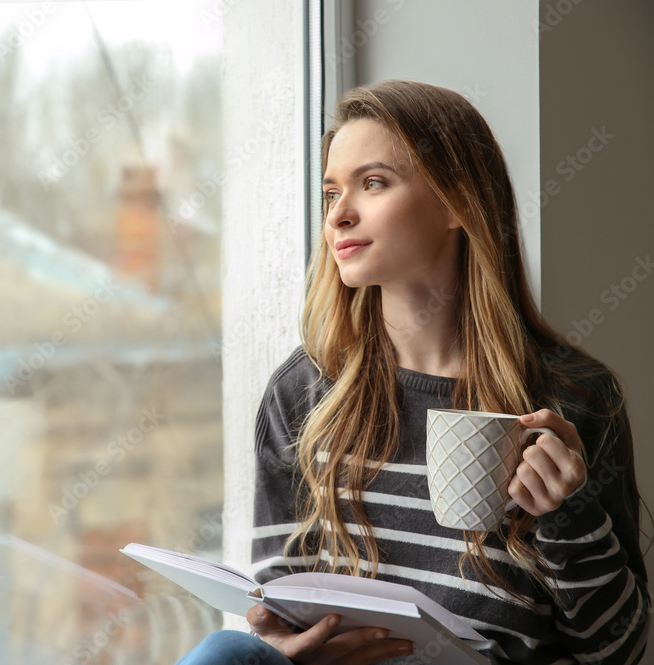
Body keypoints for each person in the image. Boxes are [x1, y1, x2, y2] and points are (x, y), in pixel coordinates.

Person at [177, 80, 650, 665]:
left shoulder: (575, 400)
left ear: (458, 203)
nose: (339, 215)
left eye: (373, 183)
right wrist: (283, 645)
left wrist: (568, 513)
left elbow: (620, 651)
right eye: (330, 193)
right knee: (228, 652)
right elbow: (278, 610)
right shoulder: (303, 391)